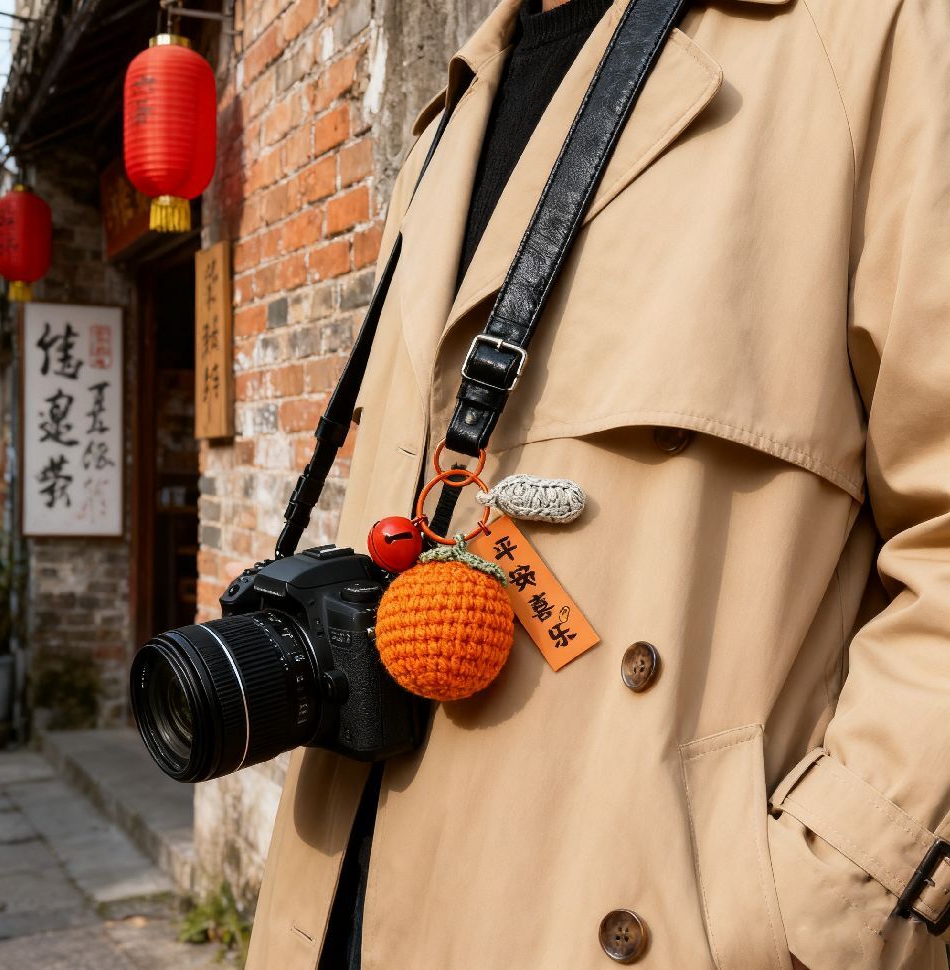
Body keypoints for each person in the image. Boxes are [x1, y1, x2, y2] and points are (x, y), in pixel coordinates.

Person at [247, 0, 950, 967]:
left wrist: (836, 893)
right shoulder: (448, 121)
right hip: (347, 894)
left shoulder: (869, 39)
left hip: (623, 923)